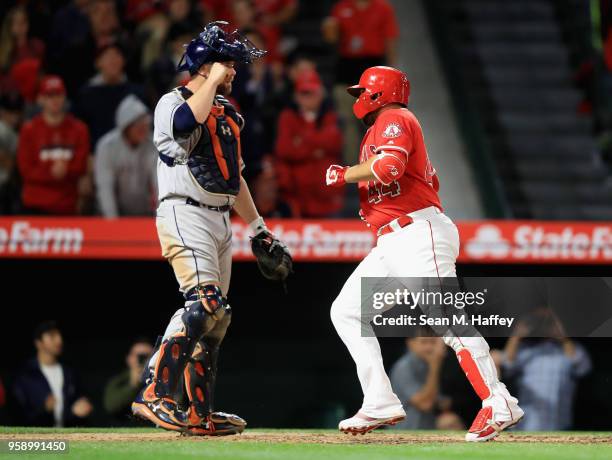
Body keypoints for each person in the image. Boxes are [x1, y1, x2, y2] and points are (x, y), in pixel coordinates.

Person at [325, 66, 523, 441]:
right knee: (347, 311)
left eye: (362, 92)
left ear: (378, 93)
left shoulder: (395, 116)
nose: (358, 98)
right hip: (395, 239)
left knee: (447, 318)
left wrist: (346, 174)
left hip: (415, 233)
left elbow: (390, 167)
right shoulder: (382, 127)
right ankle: (380, 400)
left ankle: (499, 402)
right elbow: (428, 180)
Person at [132, 22, 291, 436]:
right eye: (230, 63)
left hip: (219, 217)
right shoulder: (172, 101)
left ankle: (198, 416)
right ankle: (153, 393)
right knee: (203, 303)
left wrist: (258, 228)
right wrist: (213, 74)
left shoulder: (228, 114)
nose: (236, 71)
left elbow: (233, 176)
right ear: (208, 64)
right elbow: (186, 124)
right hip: (184, 212)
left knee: (218, 315)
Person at [322, 0, 399, 165]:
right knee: (347, 122)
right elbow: (331, 39)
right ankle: (352, 169)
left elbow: (390, 41)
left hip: (373, 71)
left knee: (376, 122)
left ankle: (379, 166)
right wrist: (329, 28)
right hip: (346, 70)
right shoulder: (341, 7)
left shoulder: (383, 8)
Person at [501, 310, 592, 431]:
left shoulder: (568, 350)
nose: (544, 326)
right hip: (526, 422)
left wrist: (563, 336)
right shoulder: (525, 350)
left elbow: (583, 368)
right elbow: (506, 366)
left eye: (549, 322)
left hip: (558, 422)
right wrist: (517, 334)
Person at [275, 68, 344, 217]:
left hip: (327, 198)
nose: (308, 98)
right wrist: (317, 149)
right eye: (303, 93)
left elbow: (334, 142)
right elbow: (285, 149)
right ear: (296, 96)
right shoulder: (287, 117)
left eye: (312, 93)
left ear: (321, 95)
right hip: (297, 199)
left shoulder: (330, 116)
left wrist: (301, 141)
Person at [17, 75, 90, 215]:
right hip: (35, 205)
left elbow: (81, 166)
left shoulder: (79, 129)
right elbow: (25, 170)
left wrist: (66, 170)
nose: (55, 100)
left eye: (58, 95)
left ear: (64, 97)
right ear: (40, 99)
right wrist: (52, 172)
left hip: (67, 205)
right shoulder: (29, 130)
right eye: (49, 96)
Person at [12, 321, 93, 427]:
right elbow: (17, 415)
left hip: (67, 437)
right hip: (37, 439)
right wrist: (43, 409)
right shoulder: (25, 375)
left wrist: (82, 405)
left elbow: (80, 398)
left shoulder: (69, 372)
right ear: (39, 343)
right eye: (52, 336)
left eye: (59, 335)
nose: (59, 340)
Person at [95, 94, 157, 217]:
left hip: (145, 213)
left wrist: (163, 222)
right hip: (112, 215)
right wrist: (113, 225)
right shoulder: (107, 146)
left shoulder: (153, 145)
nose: (143, 130)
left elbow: (159, 185)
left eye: (145, 125)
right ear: (125, 126)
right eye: (137, 126)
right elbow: (105, 188)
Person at [74, 42, 144, 147]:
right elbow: (80, 130)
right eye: (107, 57)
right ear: (97, 63)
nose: (113, 61)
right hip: (96, 155)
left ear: (123, 61)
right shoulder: (86, 94)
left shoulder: (136, 93)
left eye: (116, 56)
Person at [390, 336, 463, 430]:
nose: (429, 347)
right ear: (411, 344)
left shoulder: (428, 362)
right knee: (449, 422)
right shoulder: (404, 367)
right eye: (424, 342)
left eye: (433, 342)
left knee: (451, 420)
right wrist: (435, 365)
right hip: (407, 430)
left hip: (429, 426)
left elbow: (442, 403)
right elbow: (425, 404)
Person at [104, 338, 154, 422]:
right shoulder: (119, 380)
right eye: (138, 356)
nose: (141, 360)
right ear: (129, 358)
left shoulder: (162, 380)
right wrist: (132, 385)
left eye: (146, 356)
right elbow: (111, 406)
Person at [0, 6, 45, 74]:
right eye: (16, 23)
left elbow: (42, 73)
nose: (20, 26)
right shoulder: (3, 51)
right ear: (10, 26)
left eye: (23, 22)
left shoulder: (37, 46)